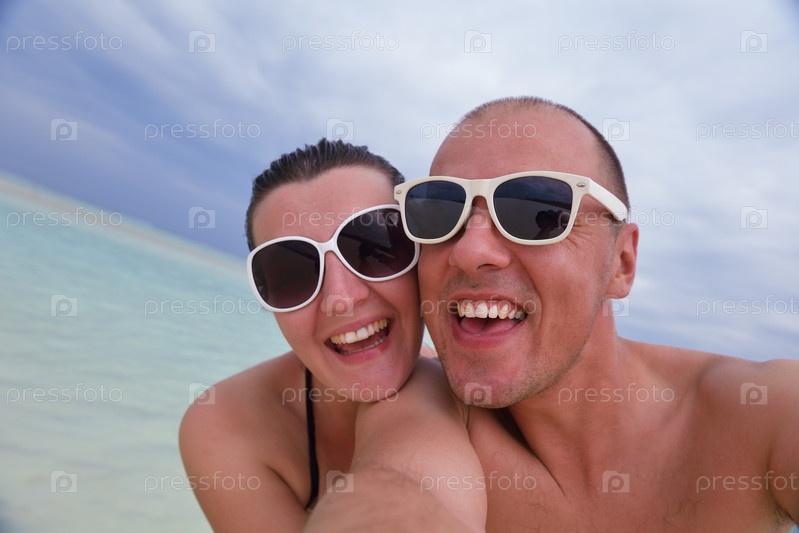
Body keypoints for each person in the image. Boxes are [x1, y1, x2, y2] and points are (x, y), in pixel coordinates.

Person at [306, 97, 799, 532]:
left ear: (621, 264)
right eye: (439, 211)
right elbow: (400, 480)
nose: (470, 250)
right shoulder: (423, 403)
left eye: (536, 211)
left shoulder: (762, 412)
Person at [178, 139, 485, 532]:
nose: (341, 299)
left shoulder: (488, 392)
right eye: (293, 273)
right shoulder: (226, 424)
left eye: (375, 248)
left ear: (422, 254)